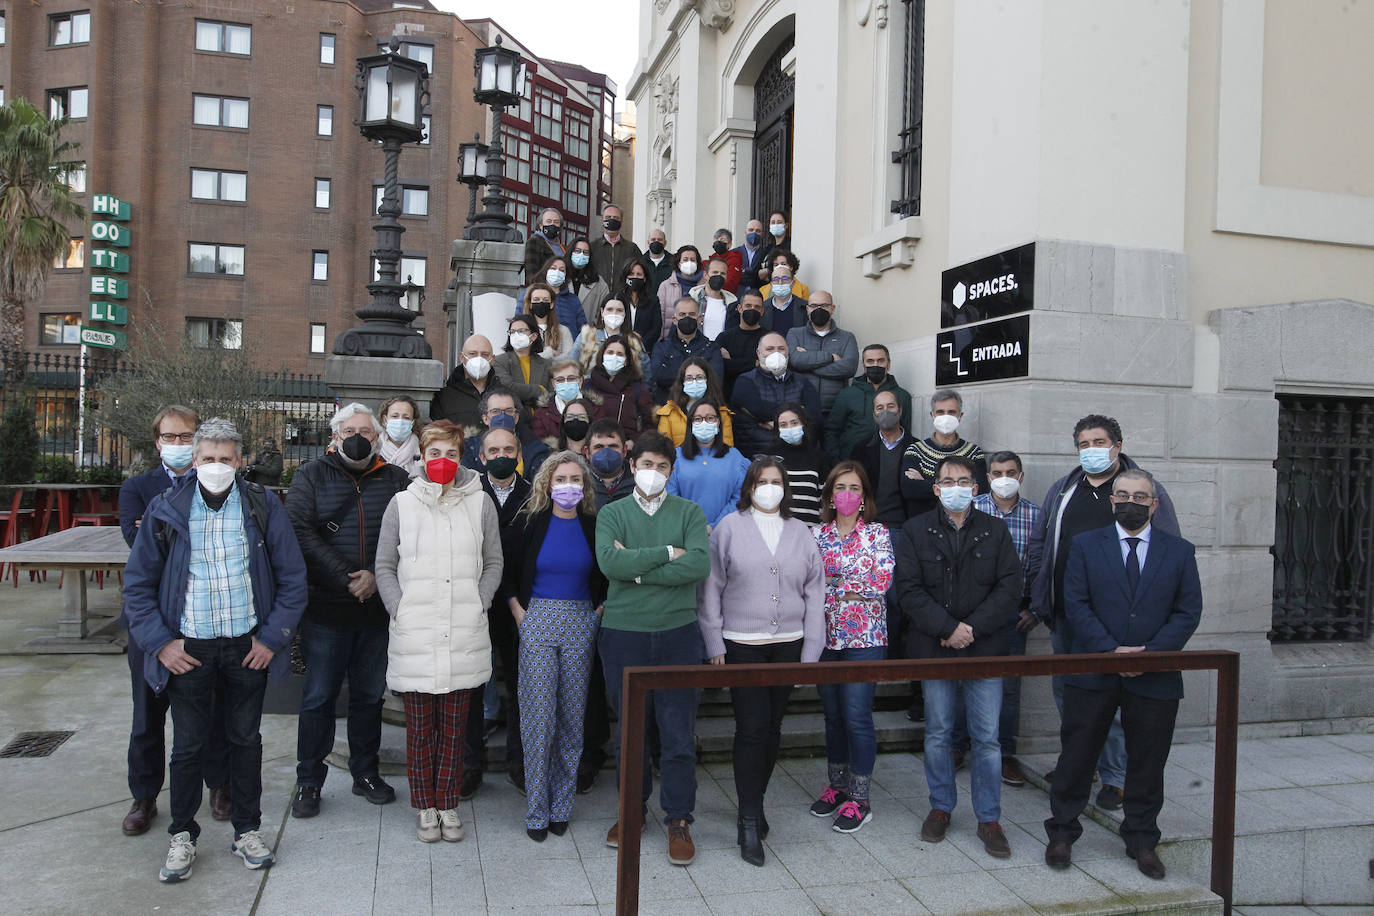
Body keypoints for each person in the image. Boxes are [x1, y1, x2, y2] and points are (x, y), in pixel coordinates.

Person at [123, 417, 307, 883]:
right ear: (195, 460)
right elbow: (139, 586)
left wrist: (271, 639)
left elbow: (292, 579)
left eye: (226, 459)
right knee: (187, 747)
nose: (217, 467)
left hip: (247, 648)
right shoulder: (167, 509)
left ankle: (247, 829)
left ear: (241, 461)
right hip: (190, 650)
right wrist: (161, 644)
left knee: (246, 742)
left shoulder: (264, 507)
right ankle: (182, 835)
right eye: (208, 459)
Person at [1043, 470, 1202, 880]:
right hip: (1094, 668)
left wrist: (1149, 655)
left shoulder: (1180, 551)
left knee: (1148, 762)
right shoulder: (1085, 546)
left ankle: (1142, 839)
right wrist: (1112, 651)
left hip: (1154, 675)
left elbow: (1187, 612)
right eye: (1124, 495)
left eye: (1141, 496)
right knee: (1077, 756)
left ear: (1154, 504)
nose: (1132, 502)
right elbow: (1075, 604)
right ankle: (1061, 833)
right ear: (1112, 501)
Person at [1027, 414, 1181, 812]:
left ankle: (1117, 778)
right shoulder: (1064, 489)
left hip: (1120, 622)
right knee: (1071, 697)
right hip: (1068, 614)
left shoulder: (1141, 488)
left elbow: (1168, 551)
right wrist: (1039, 592)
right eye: (1083, 444)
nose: (1091, 449)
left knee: (1115, 700)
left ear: (1117, 445)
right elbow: (1041, 541)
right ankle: (1079, 766)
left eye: (1099, 441)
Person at [374, 420, 503, 844]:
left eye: (450, 454)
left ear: (460, 455)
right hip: (417, 633)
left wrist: (479, 601)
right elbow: (385, 566)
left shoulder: (480, 502)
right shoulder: (401, 504)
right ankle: (424, 806)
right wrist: (399, 608)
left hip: (463, 631)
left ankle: (447, 803)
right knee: (419, 731)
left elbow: (494, 561)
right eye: (434, 454)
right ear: (422, 457)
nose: (442, 462)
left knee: (454, 730)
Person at [286, 403, 411, 819]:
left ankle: (365, 772)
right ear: (335, 437)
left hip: (376, 610)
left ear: (378, 439)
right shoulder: (310, 475)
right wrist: (346, 576)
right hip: (327, 609)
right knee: (319, 699)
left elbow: (407, 535)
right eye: (350, 430)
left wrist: (376, 575)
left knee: (368, 697)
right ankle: (308, 780)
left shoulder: (395, 478)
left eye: (367, 431)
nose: (359, 437)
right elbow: (300, 531)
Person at [698, 457, 825, 866]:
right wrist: (713, 640)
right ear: (750, 487)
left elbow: (815, 593)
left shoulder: (801, 532)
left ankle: (756, 801)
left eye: (776, 481)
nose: (769, 487)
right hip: (742, 643)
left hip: (788, 643)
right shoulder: (730, 529)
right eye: (762, 481)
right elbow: (712, 588)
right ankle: (748, 819)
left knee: (773, 729)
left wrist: (811, 652)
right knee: (751, 729)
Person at [898, 455, 1022, 860]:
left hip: (984, 649)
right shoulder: (916, 531)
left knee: (986, 738)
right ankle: (941, 807)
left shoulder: (995, 530)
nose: (956, 487)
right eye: (948, 480)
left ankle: (989, 818)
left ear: (976, 488)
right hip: (936, 648)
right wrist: (947, 628)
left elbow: (1008, 589)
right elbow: (909, 590)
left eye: (964, 480)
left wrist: (971, 629)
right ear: (936, 488)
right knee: (938, 732)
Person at [595, 432, 710, 866]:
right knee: (630, 732)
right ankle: (631, 812)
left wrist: (637, 571)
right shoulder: (612, 513)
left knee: (679, 734)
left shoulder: (689, 512)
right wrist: (665, 555)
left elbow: (698, 564)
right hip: (625, 633)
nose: (654, 473)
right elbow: (610, 563)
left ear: (671, 470)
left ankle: (678, 818)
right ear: (631, 464)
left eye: (662, 466)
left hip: (678, 633)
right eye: (646, 464)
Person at [118, 406, 232, 837]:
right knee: (148, 714)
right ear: (157, 442)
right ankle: (144, 795)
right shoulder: (138, 487)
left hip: (206, 619)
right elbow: (137, 539)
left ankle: (219, 784)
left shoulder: (221, 485)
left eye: (188, 437)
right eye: (171, 437)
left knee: (214, 709)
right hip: (154, 621)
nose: (180, 445)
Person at [505, 452, 607, 841]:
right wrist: (519, 613)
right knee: (538, 718)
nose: (569, 486)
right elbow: (509, 574)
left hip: (581, 621)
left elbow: (607, 573)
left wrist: (597, 612)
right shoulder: (529, 523)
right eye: (561, 478)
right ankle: (536, 807)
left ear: (585, 486)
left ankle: (562, 804)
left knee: (571, 717)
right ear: (548, 483)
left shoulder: (594, 525)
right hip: (537, 622)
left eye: (576, 479)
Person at [809, 461, 894, 833]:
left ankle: (860, 798)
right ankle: (837, 786)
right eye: (840, 487)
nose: (847, 494)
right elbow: (807, 582)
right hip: (825, 638)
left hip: (866, 640)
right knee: (832, 717)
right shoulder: (816, 535)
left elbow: (880, 579)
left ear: (864, 497)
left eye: (855, 488)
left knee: (857, 716)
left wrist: (835, 584)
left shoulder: (878, 534)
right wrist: (849, 585)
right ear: (829, 494)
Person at [959, 451, 1043, 786]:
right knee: (960, 678)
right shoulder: (970, 508)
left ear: (1020, 477)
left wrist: (1035, 609)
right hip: (969, 613)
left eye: (1010, 472)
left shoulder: (1037, 516)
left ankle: (1005, 754)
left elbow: (1042, 566)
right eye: (997, 472)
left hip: (1013, 615)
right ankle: (956, 745)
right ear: (987, 477)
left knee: (1008, 687)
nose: (1003, 478)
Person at [461, 425, 533, 798]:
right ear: (481, 456)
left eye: (508, 448)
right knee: (472, 688)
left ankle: (520, 762)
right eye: (493, 450)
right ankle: (470, 764)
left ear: (519, 452)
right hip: (477, 605)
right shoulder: (469, 494)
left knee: (522, 688)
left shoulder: (535, 495)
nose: (501, 455)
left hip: (522, 606)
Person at [900, 389, 988, 521]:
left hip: (964, 526)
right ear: (932, 415)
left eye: (951, 412)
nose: (946, 417)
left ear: (960, 416)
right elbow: (910, 489)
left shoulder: (974, 452)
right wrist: (961, 487)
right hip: (924, 526)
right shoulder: (915, 450)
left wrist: (926, 483)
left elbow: (980, 492)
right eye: (940, 412)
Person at [665, 397, 752, 529]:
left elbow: (740, 497)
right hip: (684, 531)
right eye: (698, 419)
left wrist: (716, 526)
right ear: (690, 424)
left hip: (726, 531)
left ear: (718, 423)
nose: (704, 422)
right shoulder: (675, 457)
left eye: (710, 418)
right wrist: (693, 527)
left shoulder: (735, 457)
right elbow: (670, 497)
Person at [730, 332, 822, 456]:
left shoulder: (802, 382)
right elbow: (751, 419)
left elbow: (814, 417)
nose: (776, 353)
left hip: (799, 454)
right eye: (770, 349)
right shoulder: (745, 381)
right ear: (759, 353)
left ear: (788, 352)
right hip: (759, 455)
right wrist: (796, 415)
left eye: (781, 348)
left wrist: (772, 423)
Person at [825, 344, 913, 462]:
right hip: (852, 463)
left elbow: (905, 433)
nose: (875, 365)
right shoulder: (846, 395)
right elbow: (832, 431)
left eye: (880, 361)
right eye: (870, 361)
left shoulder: (902, 396)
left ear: (888, 364)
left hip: (887, 464)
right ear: (864, 365)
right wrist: (837, 461)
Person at [786, 291, 858, 415]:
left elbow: (849, 368)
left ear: (832, 308)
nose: (818, 309)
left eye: (824, 305)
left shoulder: (847, 337)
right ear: (807, 309)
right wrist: (830, 357)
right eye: (814, 306)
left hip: (836, 410)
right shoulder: (794, 334)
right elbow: (795, 361)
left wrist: (807, 362)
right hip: (802, 409)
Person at [460, 388, 550, 477]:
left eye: (509, 411)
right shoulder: (469, 449)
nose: (502, 416)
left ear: (516, 417)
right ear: (485, 419)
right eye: (495, 411)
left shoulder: (535, 449)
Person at [649, 297, 724, 402]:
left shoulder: (711, 348)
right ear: (674, 320)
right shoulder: (661, 347)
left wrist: (675, 380)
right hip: (669, 406)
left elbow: (716, 379)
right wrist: (699, 377)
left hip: (703, 408)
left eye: (692, 314)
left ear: (699, 318)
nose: (687, 318)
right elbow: (658, 376)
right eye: (682, 314)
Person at [584, 335, 656, 447]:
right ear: (602, 356)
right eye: (610, 352)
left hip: (626, 449)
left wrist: (634, 442)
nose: (614, 357)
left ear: (626, 360)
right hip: (594, 448)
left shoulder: (638, 388)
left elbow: (650, 423)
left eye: (620, 354)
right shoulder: (588, 386)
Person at [655, 357, 736, 448]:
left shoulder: (722, 413)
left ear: (708, 380)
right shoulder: (668, 413)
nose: (695, 382)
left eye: (699, 377)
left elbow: (728, 450)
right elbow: (664, 451)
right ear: (682, 382)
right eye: (689, 378)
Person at [769, 404, 830, 524]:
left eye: (794, 423)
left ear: (803, 424)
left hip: (810, 530)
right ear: (778, 429)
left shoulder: (819, 457)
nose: (789, 428)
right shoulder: (770, 457)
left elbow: (825, 498)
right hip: (776, 528)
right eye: (783, 425)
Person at [431, 334, 496, 431]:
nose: (479, 359)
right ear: (462, 357)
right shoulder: (444, 397)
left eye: (485, 354)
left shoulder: (504, 394)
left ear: (492, 359)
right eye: (472, 353)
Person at [572, 297, 650, 379]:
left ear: (625, 313)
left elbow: (646, 372)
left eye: (619, 310)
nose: (614, 313)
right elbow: (572, 364)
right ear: (602, 312)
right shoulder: (587, 336)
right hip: (591, 389)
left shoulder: (634, 340)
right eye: (610, 309)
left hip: (625, 389)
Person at [493, 314, 551, 411]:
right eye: (512, 332)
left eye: (521, 331)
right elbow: (508, 388)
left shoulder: (546, 364)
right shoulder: (499, 361)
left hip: (540, 418)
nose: (516, 335)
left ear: (533, 336)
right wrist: (539, 390)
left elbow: (550, 395)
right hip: (513, 417)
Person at [716, 290, 767, 398]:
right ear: (740, 308)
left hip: (760, 396)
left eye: (757, 307)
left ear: (762, 311)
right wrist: (754, 363)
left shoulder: (769, 338)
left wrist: (732, 362)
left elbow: (767, 368)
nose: (752, 310)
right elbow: (719, 366)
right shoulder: (724, 337)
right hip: (728, 397)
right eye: (748, 306)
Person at [531, 357, 590, 445]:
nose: (566, 383)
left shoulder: (595, 408)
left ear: (580, 381)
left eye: (571, 378)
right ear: (553, 384)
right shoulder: (541, 414)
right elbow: (540, 447)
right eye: (560, 380)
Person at [590, 204, 643, 292]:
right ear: (602, 221)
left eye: (615, 218)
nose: (611, 220)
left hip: (623, 298)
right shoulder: (592, 247)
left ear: (621, 221)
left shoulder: (632, 248)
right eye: (608, 217)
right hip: (598, 298)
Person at [655, 246, 704, 338]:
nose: (689, 262)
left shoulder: (704, 286)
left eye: (692, 260)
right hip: (671, 338)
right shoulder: (665, 286)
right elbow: (660, 315)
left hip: (699, 338)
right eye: (685, 259)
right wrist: (661, 340)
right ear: (678, 263)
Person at [584, 419, 635, 508]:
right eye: (599, 447)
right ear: (587, 452)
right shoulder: (578, 484)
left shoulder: (639, 485)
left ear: (625, 450)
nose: (606, 452)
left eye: (613, 446)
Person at [615, 257, 663, 349]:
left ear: (644, 278)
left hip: (644, 351)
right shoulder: (617, 298)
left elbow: (656, 329)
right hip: (620, 348)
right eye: (631, 274)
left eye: (639, 274)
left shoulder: (653, 300)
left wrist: (639, 345)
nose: (635, 277)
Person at [534, 254, 588, 334]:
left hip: (569, 344)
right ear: (546, 271)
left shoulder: (573, 300)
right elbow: (521, 320)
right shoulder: (531, 293)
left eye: (562, 270)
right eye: (553, 268)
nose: (557, 272)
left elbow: (583, 328)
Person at [689, 255, 737, 340]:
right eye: (715, 272)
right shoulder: (693, 298)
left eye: (722, 273)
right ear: (705, 275)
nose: (719, 276)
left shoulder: (732, 302)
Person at [566, 237, 611, 328]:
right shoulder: (561, 276)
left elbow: (605, 310)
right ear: (570, 252)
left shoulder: (599, 282)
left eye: (585, 252)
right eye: (577, 251)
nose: (581, 255)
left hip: (587, 334)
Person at [520, 282, 572, 359]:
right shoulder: (521, 331)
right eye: (536, 299)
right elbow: (521, 358)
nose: (541, 302)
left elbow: (570, 358)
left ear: (551, 304)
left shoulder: (563, 331)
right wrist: (549, 353)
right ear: (530, 304)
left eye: (545, 300)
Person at [378, 396, 423, 477]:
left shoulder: (423, 450)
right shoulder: (374, 450)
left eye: (406, 417)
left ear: (413, 422)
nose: (400, 421)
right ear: (385, 420)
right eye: (395, 416)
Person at [760, 262, 808, 337]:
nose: (780, 282)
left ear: (792, 283)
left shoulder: (805, 308)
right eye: (776, 279)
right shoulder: (762, 308)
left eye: (785, 278)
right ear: (771, 284)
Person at [524, 207, 566, 282]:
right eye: (549, 221)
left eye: (556, 222)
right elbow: (531, 273)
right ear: (541, 225)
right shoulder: (535, 242)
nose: (552, 224)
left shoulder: (563, 248)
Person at [732, 218, 767, 298]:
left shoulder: (766, 254)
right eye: (751, 230)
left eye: (758, 231)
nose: (754, 233)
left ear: (762, 234)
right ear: (745, 232)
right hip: (737, 297)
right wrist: (756, 274)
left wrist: (744, 272)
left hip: (759, 296)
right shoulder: (733, 253)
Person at [754, 210, 791, 287]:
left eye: (779, 222)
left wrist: (767, 271)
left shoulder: (790, 245)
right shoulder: (768, 248)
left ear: (786, 225)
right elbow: (757, 274)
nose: (776, 225)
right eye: (773, 222)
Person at [708, 228, 743, 293]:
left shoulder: (734, 259)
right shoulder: (711, 259)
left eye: (722, 239)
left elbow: (731, 282)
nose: (718, 242)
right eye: (716, 239)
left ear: (729, 244)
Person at [644, 227, 674, 291]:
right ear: (648, 242)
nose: (656, 242)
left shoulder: (674, 262)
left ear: (665, 243)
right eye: (653, 239)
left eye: (660, 240)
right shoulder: (640, 262)